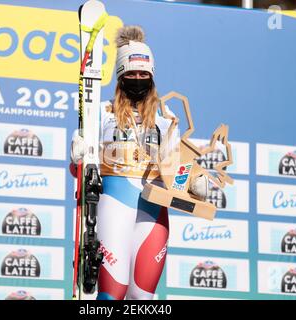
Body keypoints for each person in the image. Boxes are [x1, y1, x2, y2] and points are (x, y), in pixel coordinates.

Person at [71, 26, 209, 300]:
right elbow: (79, 164)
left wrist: (194, 180)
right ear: (120, 77)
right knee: (113, 291)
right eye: (131, 73)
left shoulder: (166, 118)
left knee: (142, 296)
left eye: (143, 74)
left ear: (152, 77)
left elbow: (175, 170)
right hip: (114, 205)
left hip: (153, 210)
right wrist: (79, 148)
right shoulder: (101, 112)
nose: (137, 79)